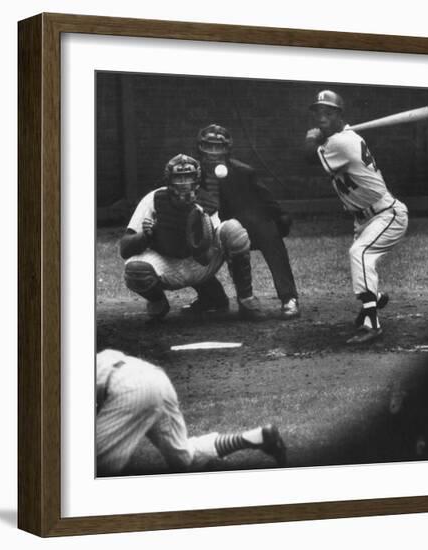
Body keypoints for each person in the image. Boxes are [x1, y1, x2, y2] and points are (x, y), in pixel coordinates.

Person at [304, 90, 409, 343]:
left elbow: (308, 158)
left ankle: (372, 324)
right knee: (362, 259)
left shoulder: (341, 142)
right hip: (364, 218)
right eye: (318, 113)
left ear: (339, 115)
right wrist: (320, 137)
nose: (321, 118)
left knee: (360, 254)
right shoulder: (341, 138)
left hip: (387, 215)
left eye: (327, 113)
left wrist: (311, 139)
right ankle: (374, 299)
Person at [119, 153, 265, 321]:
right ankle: (158, 301)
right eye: (179, 178)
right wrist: (146, 235)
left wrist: (198, 238)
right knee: (136, 271)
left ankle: (245, 298)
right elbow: (125, 248)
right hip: (166, 262)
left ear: (197, 178)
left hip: (198, 263)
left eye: (188, 177)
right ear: (169, 179)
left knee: (234, 230)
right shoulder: (153, 199)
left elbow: (205, 257)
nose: (184, 183)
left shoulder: (206, 202)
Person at [96, 349, 287, 475]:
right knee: (184, 460)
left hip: (128, 387)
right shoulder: (101, 357)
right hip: (156, 377)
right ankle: (256, 437)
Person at [184, 124, 300, 319]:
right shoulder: (188, 173)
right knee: (182, 236)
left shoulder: (243, 172)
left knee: (268, 231)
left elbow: (268, 203)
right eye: (208, 147)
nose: (213, 153)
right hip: (206, 232)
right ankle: (212, 298)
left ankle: (289, 297)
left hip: (240, 230)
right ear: (199, 148)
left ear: (227, 149)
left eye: (218, 147)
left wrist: (279, 222)